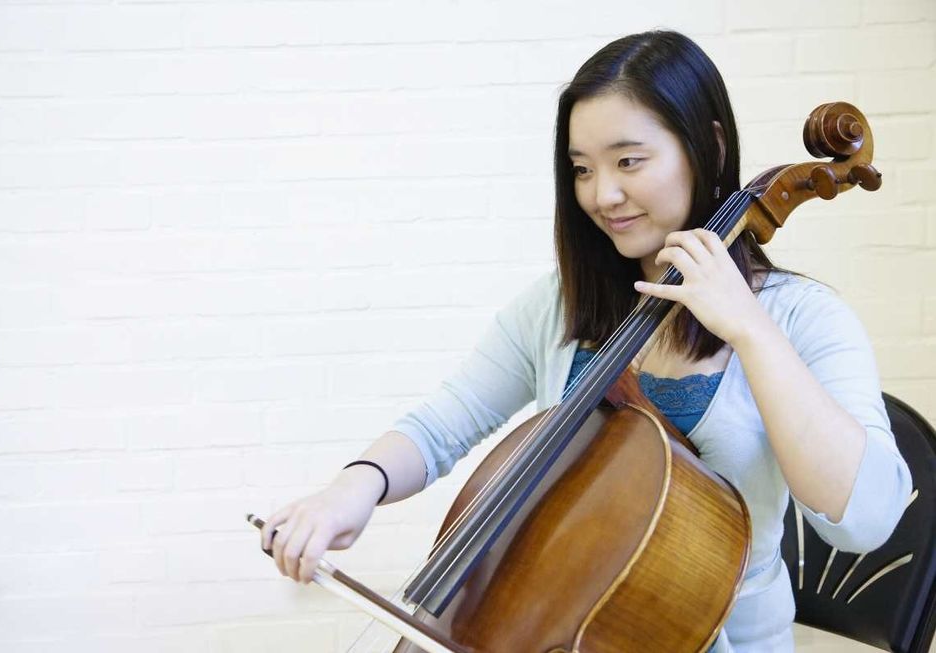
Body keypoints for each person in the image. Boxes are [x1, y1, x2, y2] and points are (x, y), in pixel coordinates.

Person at [258, 30, 913, 652]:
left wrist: (749, 327)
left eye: (629, 160)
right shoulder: (560, 307)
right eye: (581, 169)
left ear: (708, 149)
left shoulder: (802, 320)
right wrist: (355, 484)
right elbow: (442, 423)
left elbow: (866, 517)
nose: (603, 194)